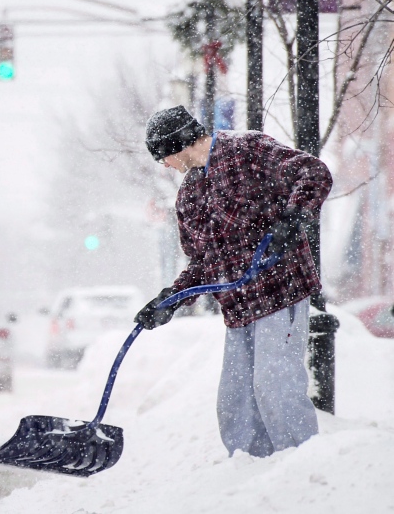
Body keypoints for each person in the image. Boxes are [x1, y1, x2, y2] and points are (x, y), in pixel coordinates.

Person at [134, 105, 332, 458]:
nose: (164, 165)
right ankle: (249, 471)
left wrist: (296, 215)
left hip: (280, 289)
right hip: (239, 308)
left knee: (275, 385)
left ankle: (301, 465)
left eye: (162, 156)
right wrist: (169, 300)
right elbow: (203, 263)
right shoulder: (189, 194)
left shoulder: (246, 150)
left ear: (178, 144)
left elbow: (313, 172)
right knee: (235, 401)